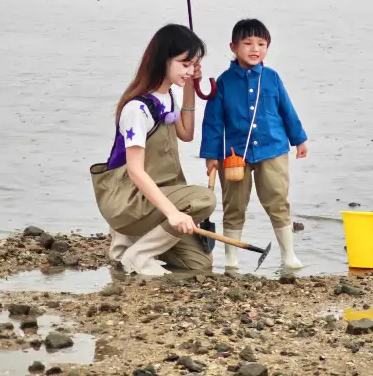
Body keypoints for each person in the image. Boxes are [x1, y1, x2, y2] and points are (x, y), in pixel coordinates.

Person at [90, 24, 216, 275]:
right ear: (163, 60)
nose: (189, 70)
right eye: (184, 64)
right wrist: (173, 214)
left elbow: (186, 134)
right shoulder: (137, 109)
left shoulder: (168, 96)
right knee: (205, 198)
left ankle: (134, 241)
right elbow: (135, 171)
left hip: (156, 200)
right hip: (129, 199)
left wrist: (191, 83)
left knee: (200, 264)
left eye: (193, 65)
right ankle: (139, 253)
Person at [200, 19, 308, 270]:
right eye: (247, 43)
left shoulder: (271, 78)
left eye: (261, 44)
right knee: (234, 204)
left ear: (268, 47)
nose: (254, 49)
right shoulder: (224, 82)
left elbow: (286, 110)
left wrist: (299, 139)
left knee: (277, 200)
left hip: (274, 148)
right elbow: (213, 122)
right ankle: (231, 258)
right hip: (235, 154)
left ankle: (288, 255)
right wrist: (211, 155)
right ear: (233, 47)